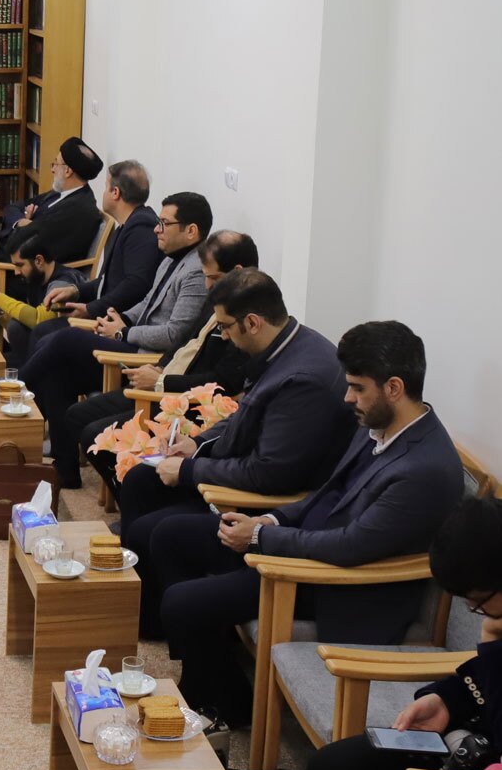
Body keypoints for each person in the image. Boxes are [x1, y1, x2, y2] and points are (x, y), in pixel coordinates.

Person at [155, 321, 463, 726]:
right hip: (303, 545)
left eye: (357, 387)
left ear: (393, 387)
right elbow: (327, 494)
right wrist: (269, 517)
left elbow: (351, 546)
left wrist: (262, 536)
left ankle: (223, 705)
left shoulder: (424, 469)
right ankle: (216, 679)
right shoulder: (379, 423)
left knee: (183, 602)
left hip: (336, 583)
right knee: (171, 536)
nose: (347, 396)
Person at [118, 269, 354, 598]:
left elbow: (270, 473)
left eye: (226, 327)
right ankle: (131, 601)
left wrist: (189, 470)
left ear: (253, 322)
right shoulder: (281, 347)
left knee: (154, 529)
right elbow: (245, 413)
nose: (224, 337)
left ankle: (157, 621)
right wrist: (196, 444)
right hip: (245, 470)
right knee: (141, 480)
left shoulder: (304, 379)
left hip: (270, 499)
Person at [20, 191, 214, 488]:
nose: (156, 230)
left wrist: (124, 332)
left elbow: (174, 333)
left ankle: (17, 387)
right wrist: (119, 318)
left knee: (66, 339)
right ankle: (65, 469)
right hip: (129, 340)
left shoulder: (196, 272)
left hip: (143, 357)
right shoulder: (170, 258)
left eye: (164, 223)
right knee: (58, 375)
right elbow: (148, 303)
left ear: (191, 231)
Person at [306, 496, 502, 770]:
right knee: (332, 765)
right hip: (471, 737)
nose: (478, 612)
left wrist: (493, 646)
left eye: (477, 602)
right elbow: (481, 678)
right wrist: (446, 700)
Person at [66, 231, 259, 498]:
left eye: (213, 277)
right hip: (162, 384)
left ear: (237, 271)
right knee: (77, 415)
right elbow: (185, 341)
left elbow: (223, 382)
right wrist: (159, 368)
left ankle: (133, 504)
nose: (206, 285)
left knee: (94, 434)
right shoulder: (218, 297)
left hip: (187, 404)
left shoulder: (248, 318)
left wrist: (161, 382)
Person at [0, 136, 104, 323]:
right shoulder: (59, 195)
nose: (52, 168)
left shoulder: (78, 210)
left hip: (23, 276)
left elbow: (33, 243)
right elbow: (14, 207)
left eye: (56, 163)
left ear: (68, 171)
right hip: (4, 262)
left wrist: (23, 227)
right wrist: (21, 222)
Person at [38, 158, 161, 326]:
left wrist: (91, 309)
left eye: (105, 186)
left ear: (115, 193)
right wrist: (75, 291)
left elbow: (136, 285)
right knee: (41, 329)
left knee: (45, 332)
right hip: (104, 315)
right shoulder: (130, 224)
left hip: (117, 325)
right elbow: (107, 282)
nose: (103, 193)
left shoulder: (141, 228)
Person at [0, 235, 87, 362]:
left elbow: (41, 319)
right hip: (42, 346)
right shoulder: (35, 278)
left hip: (69, 354)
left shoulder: (63, 283)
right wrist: (3, 317)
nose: (16, 272)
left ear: (39, 261)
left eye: (20, 265)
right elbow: (28, 326)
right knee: (7, 338)